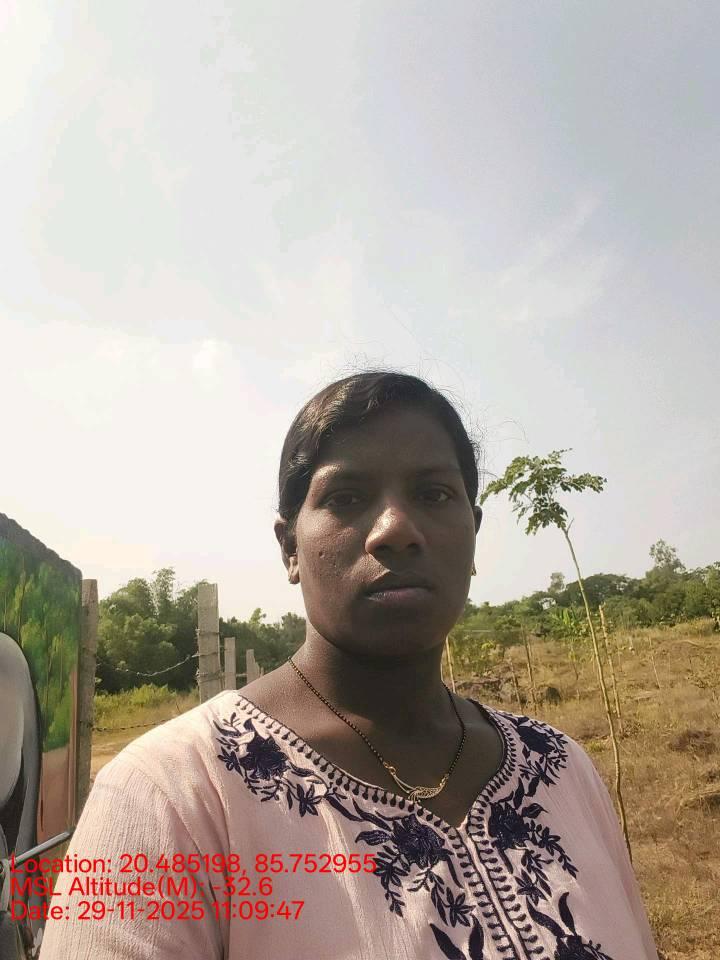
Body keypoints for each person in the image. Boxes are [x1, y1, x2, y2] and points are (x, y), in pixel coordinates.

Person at [40, 371, 659, 959]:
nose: (395, 529)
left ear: (473, 533)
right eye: (346, 497)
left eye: (434, 494)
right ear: (290, 547)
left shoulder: (562, 768)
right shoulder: (168, 795)